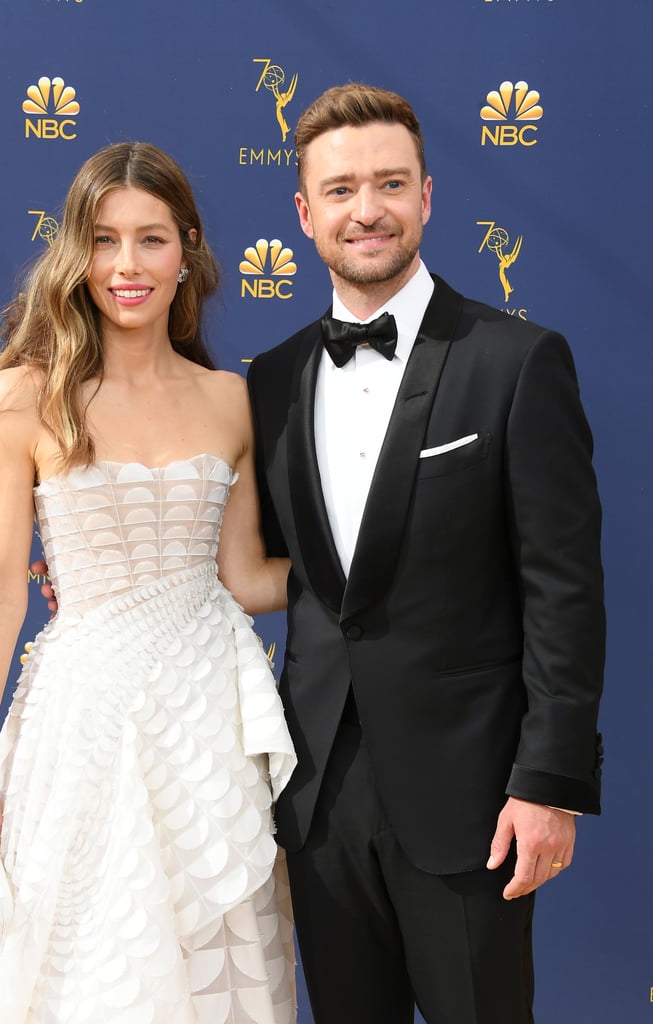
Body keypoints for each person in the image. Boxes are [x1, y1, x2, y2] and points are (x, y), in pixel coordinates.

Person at [0, 141, 297, 1023]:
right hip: (80, 722)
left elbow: (249, 579)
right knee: (76, 967)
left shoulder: (231, 399)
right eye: (104, 241)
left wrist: (387, 569)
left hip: (207, 724)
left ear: (187, 249)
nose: (126, 266)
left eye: (150, 239)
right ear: (77, 253)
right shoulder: (25, 395)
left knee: (201, 958)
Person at [244, 84, 605, 1024]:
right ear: (303, 213)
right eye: (340, 189)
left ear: (428, 197)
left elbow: (562, 590)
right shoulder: (274, 378)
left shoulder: (516, 360)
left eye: (389, 183)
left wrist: (548, 784)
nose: (366, 209)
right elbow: (270, 568)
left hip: (474, 796)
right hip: (319, 798)